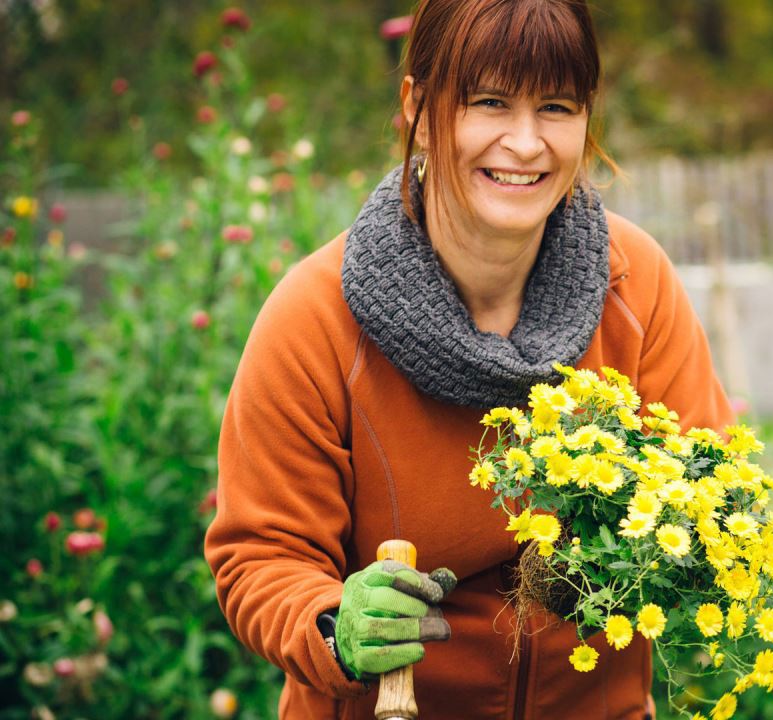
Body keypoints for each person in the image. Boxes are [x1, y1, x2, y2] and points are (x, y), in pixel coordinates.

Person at [203, 1, 734, 718]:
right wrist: (332, 625)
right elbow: (261, 557)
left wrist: (689, 548)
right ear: (419, 109)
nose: (525, 142)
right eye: (489, 102)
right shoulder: (315, 317)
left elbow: (714, 484)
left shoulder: (634, 282)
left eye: (556, 106)